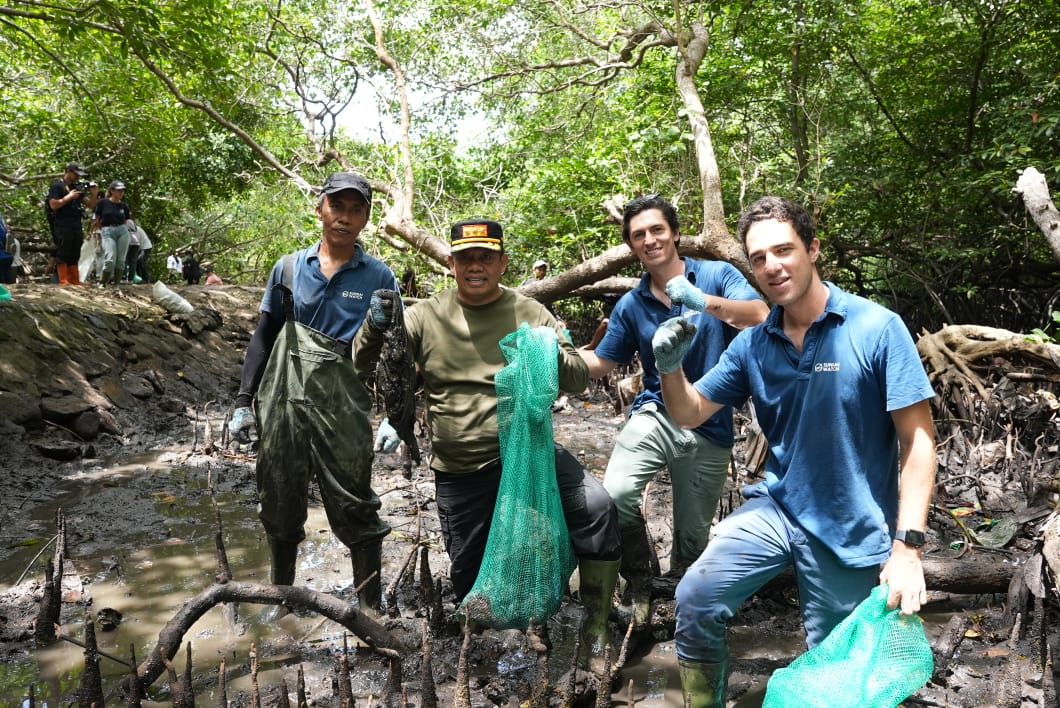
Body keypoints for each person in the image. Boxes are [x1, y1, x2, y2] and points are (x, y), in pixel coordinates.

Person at [651, 196, 937, 705]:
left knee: (836, 668)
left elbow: (918, 442)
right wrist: (670, 367)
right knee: (695, 597)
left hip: (852, 526)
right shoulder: (753, 345)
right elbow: (689, 412)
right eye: (758, 257)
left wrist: (908, 548)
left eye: (783, 250)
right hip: (778, 507)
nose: (771, 266)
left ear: (813, 249)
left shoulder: (877, 328)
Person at [354, 219, 621, 669]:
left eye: (485, 257)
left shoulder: (531, 312)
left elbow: (577, 377)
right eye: (465, 258)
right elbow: (363, 365)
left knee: (597, 507)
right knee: (471, 582)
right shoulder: (424, 316)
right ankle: (479, 662)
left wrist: (547, 350)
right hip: (461, 465)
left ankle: (595, 626)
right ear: (451, 264)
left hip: (529, 454)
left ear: (502, 262)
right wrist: (375, 326)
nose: (475, 266)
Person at [576, 194, 769, 633]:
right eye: (639, 235)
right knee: (616, 495)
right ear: (631, 245)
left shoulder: (717, 275)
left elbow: (759, 315)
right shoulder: (631, 304)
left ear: (675, 233)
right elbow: (603, 362)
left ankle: (679, 602)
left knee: (692, 538)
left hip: (711, 422)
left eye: (657, 230)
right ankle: (642, 578)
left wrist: (703, 301)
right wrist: (558, 352)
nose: (650, 240)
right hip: (656, 413)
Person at [227, 172, 399, 615]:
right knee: (279, 499)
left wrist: (397, 415)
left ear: (366, 218)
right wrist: (243, 402)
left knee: (356, 504)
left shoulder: (379, 275)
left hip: (343, 406)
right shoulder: (287, 268)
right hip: (282, 401)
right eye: (336, 207)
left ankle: (370, 609)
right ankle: (281, 598)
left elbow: (392, 353)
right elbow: (264, 336)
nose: (344, 218)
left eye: (355, 209)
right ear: (319, 208)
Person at [47, 162, 90, 285]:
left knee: (75, 251)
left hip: (76, 224)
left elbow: (91, 204)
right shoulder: (57, 186)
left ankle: (75, 279)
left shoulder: (76, 188)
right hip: (62, 223)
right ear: (68, 171)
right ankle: (63, 279)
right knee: (63, 251)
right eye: (76, 174)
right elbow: (53, 205)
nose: (77, 177)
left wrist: (94, 192)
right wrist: (69, 197)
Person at [92, 181, 133, 287]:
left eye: (122, 190)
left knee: (121, 260)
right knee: (110, 259)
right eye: (119, 190)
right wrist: (102, 229)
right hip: (108, 231)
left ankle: (116, 285)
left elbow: (126, 220)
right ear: (112, 191)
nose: (121, 192)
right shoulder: (103, 203)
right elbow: (97, 219)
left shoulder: (124, 206)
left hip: (122, 231)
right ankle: (103, 283)